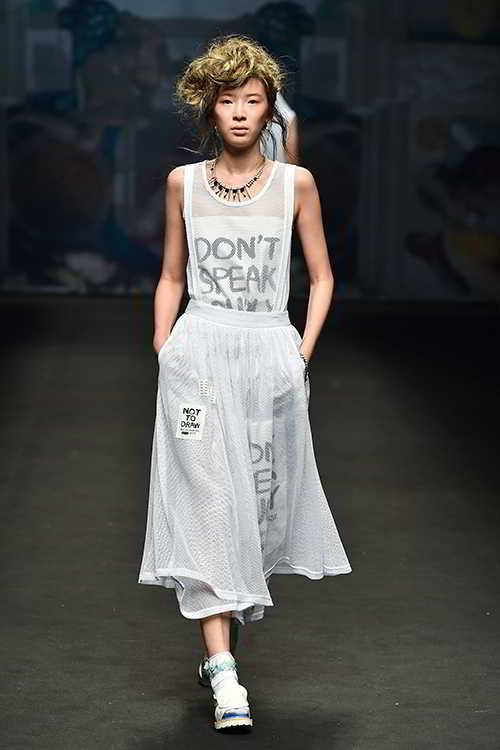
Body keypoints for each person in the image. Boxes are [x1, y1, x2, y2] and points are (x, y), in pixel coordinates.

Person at [137, 34, 352, 732]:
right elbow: (171, 275)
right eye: (226, 100)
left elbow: (322, 277)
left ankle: (222, 646)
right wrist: (166, 348)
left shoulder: (295, 185)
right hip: (199, 356)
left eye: (252, 100)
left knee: (255, 509)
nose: (238, 113)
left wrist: (300, 354)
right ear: (209, 107)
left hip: (268, 356)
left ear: (268, 110)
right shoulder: (184, 184)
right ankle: (226, 673)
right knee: (207, 502)